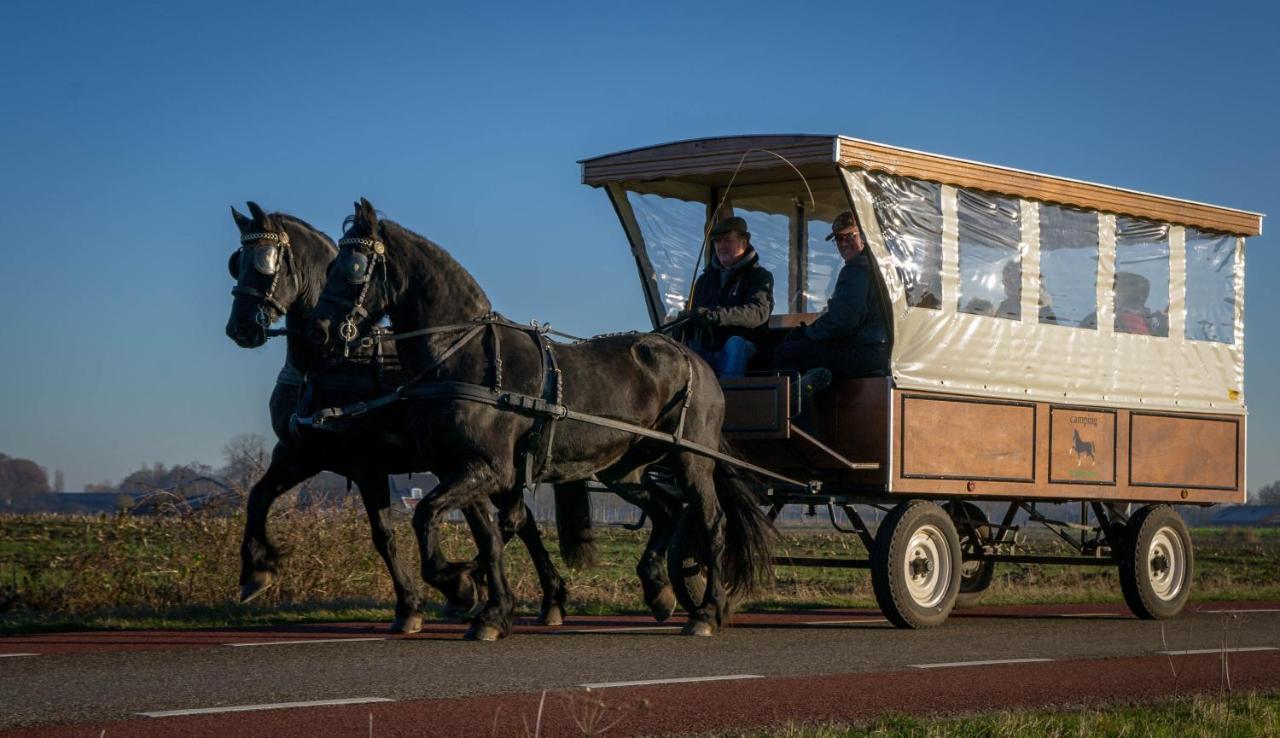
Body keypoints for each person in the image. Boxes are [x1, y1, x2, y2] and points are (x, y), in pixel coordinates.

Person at [775, 211, 890, 394]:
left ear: (864, 236)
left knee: (787, 353)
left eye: (849, 236)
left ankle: (796, 417)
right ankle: (811, 388)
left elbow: (843, 322)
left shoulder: (857, 270)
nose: (843, 243)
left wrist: (806, 333)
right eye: (838, 239)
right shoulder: (880, 267)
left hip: (866, 351)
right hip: (879, 350)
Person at [678, 216, 774, 378]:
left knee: (735, 344)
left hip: (743, 350)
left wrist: (714, 316)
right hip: (707, 352)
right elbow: (695, 314)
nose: (721, 246)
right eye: (717, 241)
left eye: (727, 240)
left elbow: (758, 313)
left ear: (744, 241)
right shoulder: (704, 281)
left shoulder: (759, 276)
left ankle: (731, 398)